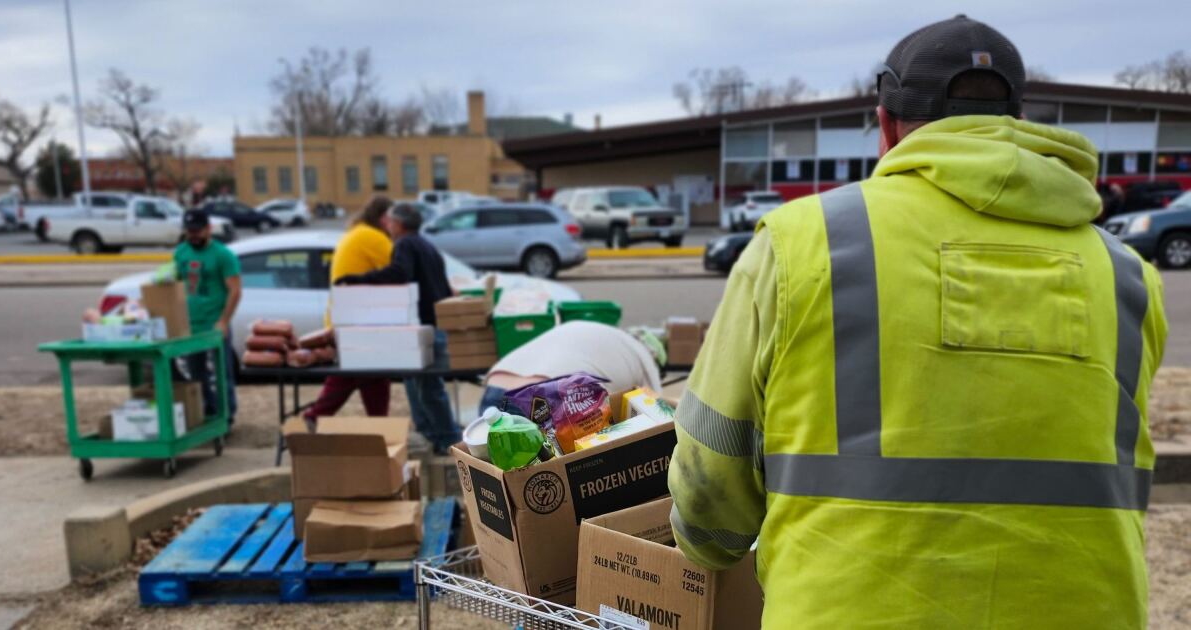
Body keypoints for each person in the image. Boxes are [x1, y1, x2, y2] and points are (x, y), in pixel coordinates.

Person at [668, 15, 1167, 628]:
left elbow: (711, 483)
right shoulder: (1127, 275)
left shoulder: (802, 245)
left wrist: (710, 544)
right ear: (1016, 120)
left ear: (885, 125)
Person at [335, 203, 461, 453]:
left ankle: (448, 440)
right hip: (432, 325)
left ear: (400, 224)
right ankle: (431, 435)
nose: (387, 227)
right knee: (417, 384)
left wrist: (358, 280)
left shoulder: (404, 244)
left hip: (422, 328)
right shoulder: (427, 245)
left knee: (428, 387)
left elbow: (399, 273)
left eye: (390, 222)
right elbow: (443, 287)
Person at [303, 196, 396, 423]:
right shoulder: (372, 237)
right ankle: (314, 417)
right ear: (384, 218)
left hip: (348, 317)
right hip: (354, 321)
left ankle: (379, 425)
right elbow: (400, 266)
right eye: (393, 219)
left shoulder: (358, 232)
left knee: (369, 376)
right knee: (356, 375)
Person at [478, 321, 664, 413]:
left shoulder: (595, 330)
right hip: (540, 400)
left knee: (493, 481)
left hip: (494, 389)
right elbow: (658, 414)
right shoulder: (644, 356)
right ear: (655, 355)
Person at [175, 208, 242, 424]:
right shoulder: (181, 252)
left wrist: (223, 321)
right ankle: (208, 410)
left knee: (223, 374)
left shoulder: (223, 255)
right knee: (196, 375)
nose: (193, 235)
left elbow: (235, 290)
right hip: (190, 325)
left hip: (214, 324)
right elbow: (175, 285)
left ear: (208, 229)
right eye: (189, 231)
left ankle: (227, 415)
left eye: (197, 230)